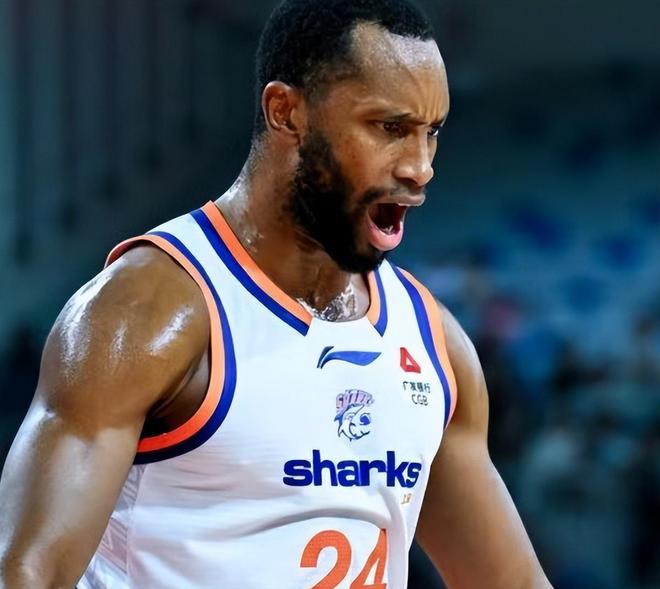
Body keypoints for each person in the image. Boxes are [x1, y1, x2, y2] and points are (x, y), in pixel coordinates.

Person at [0, 1, 553, 587]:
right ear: (286, 112)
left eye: (431, 132)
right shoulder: (145, 311)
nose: (420, 168)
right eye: (389, 128)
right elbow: (28, 572)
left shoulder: (435, 343)